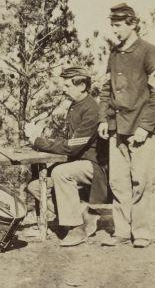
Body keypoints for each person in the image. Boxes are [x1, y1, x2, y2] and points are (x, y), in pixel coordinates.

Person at [97, 3, 155, 248]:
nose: (114, 30)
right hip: (117, 129)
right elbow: (106, 89)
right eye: (112, 25)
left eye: (118, 25)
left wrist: (145, 127)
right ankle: (121, 231)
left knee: (140, 180)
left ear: (132, 24)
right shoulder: (114, 54)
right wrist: (104, 119)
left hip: (140, 130)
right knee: (117, 182)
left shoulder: (149, 52)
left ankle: (141, 232)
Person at [24, 67, 109, 247]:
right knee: (35, 186)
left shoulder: (91, 109)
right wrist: (40, 138)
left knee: (60, 173)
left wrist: (38, 141)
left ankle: (76, 229)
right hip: (77, 162)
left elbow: (72, 147)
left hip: (93, 166)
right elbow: (70, 141)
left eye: (67, 85)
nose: (63, 88)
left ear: (82, 86)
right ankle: (83, 214)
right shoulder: (76, 105)